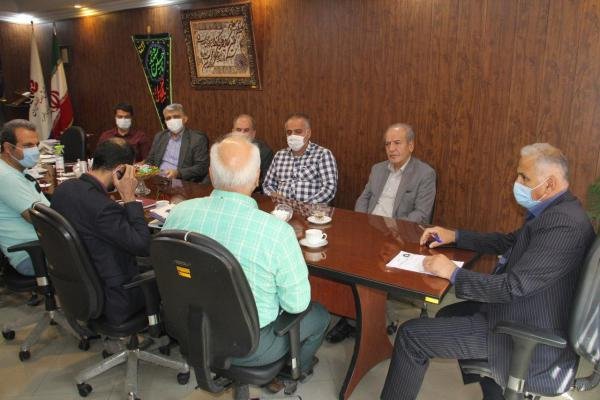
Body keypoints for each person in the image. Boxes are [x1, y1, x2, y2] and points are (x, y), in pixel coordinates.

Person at [380, 143, 595, 400]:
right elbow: (508, 241)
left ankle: (498, 380)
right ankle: (494, 393)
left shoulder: (563, 226)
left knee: (410, 336)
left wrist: (453, 273)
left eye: (524, 178)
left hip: (522, 331)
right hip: (524, 310)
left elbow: (511, 287)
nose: (516, 183)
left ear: (549, 184)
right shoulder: (558, 210)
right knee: (448, 313)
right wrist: (455, 236)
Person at [163, 134, 330, 385]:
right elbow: (296, 305)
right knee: (319, 315)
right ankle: (292, 371)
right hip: (250, 347)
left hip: (191, 332)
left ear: (211, 173)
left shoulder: (179, 213)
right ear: (257, 178)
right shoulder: (276, 232)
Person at [328, 123, 437, 343]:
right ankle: (350, 312)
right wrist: (361, 223)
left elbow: (421, 214)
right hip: (369, 230)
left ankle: (365, 320)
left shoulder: (424, 173)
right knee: (338, 255)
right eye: (388, 144)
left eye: (397, 143)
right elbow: (363, 199)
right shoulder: (378, 169)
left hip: (400, 235)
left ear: (411, 145)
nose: (391, 149)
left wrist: (390, 230)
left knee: (368, 265)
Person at [51, 138, 150, 325]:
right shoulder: (103, 208)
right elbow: (143, 245)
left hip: (78, 289)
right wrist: (129, 197)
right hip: (116, 297)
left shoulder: (64, 189)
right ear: (120, 170)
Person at [0, 119, 49, 276]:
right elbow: (40, 220)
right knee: (100, 254)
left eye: (36, 145)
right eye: (28, 146)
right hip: (32, 255)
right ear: (8, 148)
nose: (35, 150)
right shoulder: (6, 176)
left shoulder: (17, 168)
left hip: (45, 245)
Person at [262, 113, 337, 204]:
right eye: (289, 132)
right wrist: (273, 195)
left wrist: (303, 205)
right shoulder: (279, 155)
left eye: (298, 131)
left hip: (311, 209)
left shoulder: (322, 154)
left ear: (308, 133)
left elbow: (329, 189)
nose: (292, 135)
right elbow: (267, 184)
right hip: (281, 208)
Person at [145, 103, 209, 182]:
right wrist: (145, 169)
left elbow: (202, 167)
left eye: (176, 117)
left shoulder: (197, 139)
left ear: (185, 119)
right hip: (157, 179)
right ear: (165, 122)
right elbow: (150, 160)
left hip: (180, 182)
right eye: (168, 118)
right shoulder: (160, 136)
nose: (172, 120)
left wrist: (178, 173)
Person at [232, 113, 273, 189]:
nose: (242, 133)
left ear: (253, 133)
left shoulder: (265, 152)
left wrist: (244, 187)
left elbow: (266, 180)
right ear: (233, 132)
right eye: (238, 130)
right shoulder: (225, 149)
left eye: (246, 130)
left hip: (251, 191)